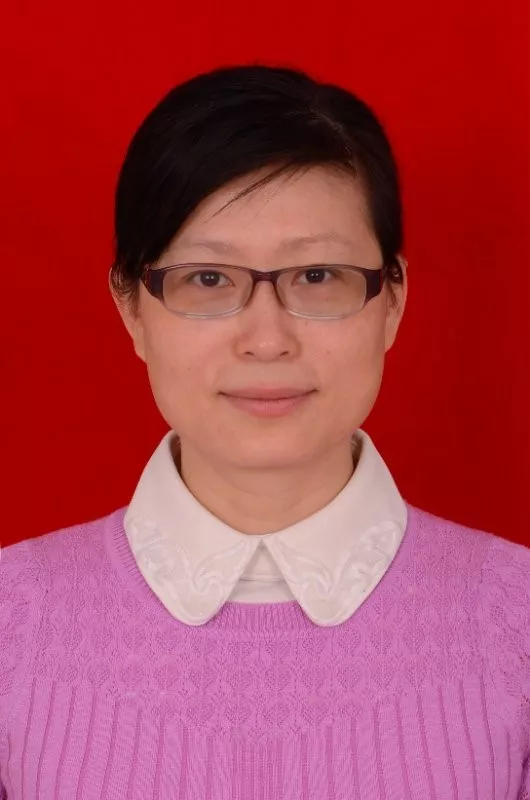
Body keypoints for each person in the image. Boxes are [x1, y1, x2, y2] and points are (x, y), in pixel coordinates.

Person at [0, 64, 528, 800]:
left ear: (393, 302)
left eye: (317, 276)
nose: (267, 340)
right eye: (208, 279)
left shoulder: (516, 622)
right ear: (131, 309)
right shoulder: (13, 622)